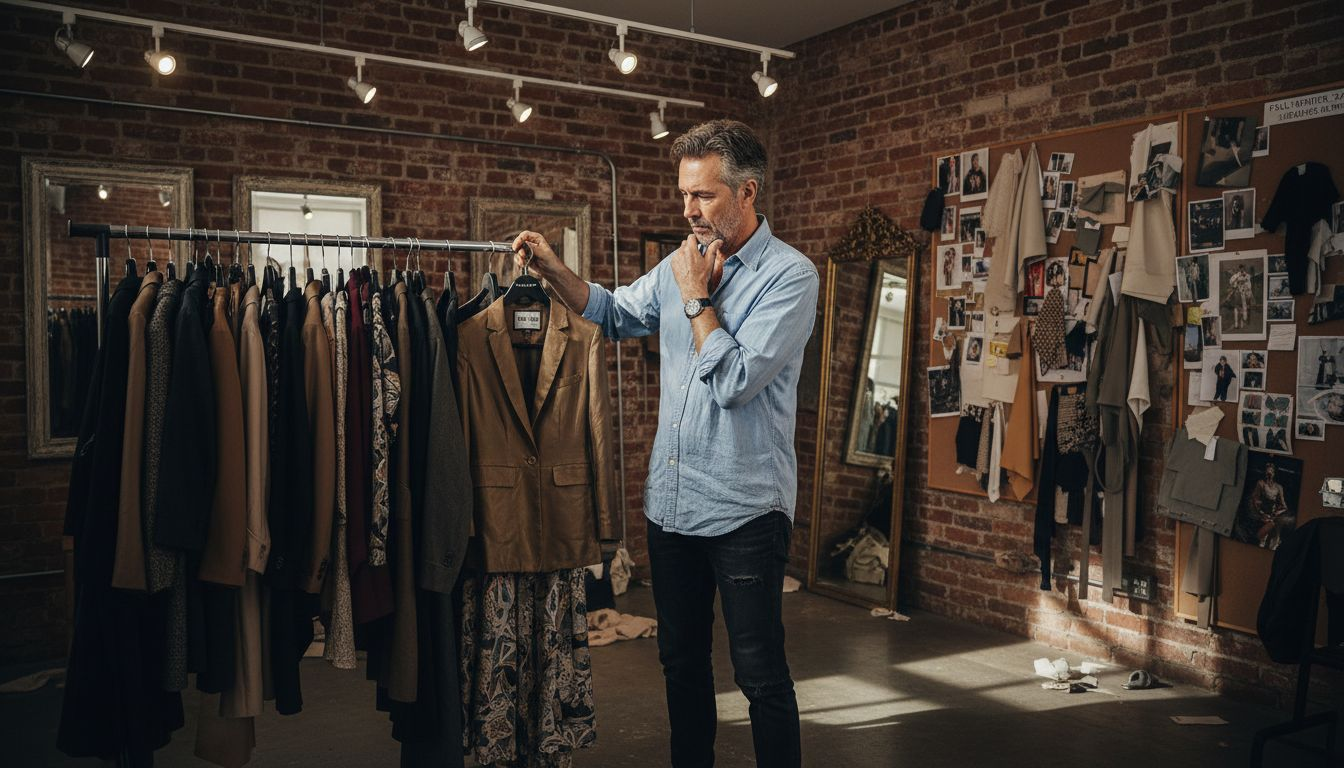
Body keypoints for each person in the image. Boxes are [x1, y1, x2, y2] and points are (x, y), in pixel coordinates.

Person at [511, 119, 814, 768]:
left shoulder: (790, 277)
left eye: (703, 195)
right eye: (684, 194)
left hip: (746, 511)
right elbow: (613, 312)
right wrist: (553, 269)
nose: (688, 210)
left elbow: (734, 381)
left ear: (747, 192)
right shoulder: (682, 260)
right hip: (672, 506)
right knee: (681, 663)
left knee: (759, 674)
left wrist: (696, 295)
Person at [1243, 461, 1290, 550]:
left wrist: (1276, 513)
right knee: (1260, 541)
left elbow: (1284, 506)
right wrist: (1261, 513)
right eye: (1267, 472)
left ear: (1274, 474)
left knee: (1274, 541)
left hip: (1273, 518)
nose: (1268, 475)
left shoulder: (1279, 487)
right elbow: (1255, 500)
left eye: (1270, 473)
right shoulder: (1261, 484)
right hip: (1261, 517)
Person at [1227, 263, 1252, 329]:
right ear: (1239, 268)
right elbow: (1231, 282)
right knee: (1236, 308)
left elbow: (1249, 285)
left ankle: (1243, 321)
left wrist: (1247, 290)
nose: (1242, 269)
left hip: (1244, 293)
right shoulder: (1236, 275)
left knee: (1244, 307)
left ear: (1244, 268)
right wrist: (1236, 280)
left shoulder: (1247, 276)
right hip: (1237, 293)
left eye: (1243, 268)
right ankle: (1236, 324)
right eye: (1241, 268)